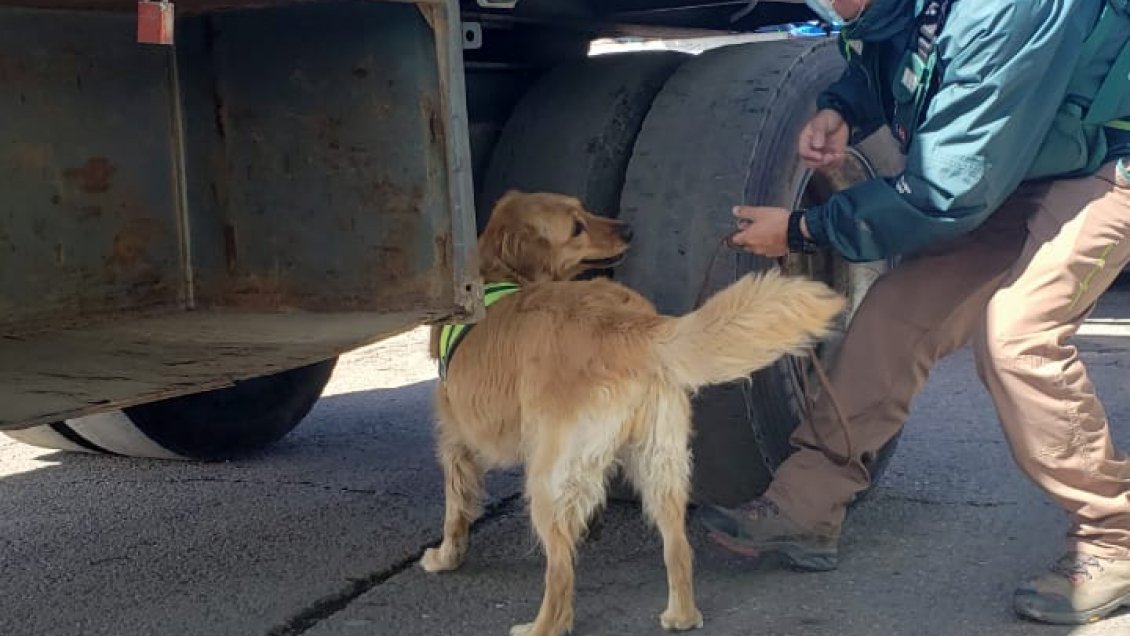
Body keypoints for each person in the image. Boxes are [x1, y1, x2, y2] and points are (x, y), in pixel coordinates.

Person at [696, 0, 1130, 625]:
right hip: (1022, 157)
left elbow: (944, 191)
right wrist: (843, 108)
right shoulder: (895, 7)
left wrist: (802, 229)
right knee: (895, 313)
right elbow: (894, 53)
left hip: (1105, 161)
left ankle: (1113, 536)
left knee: (1017, 337)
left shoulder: (1002, 11)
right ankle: (807, 504)